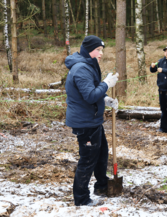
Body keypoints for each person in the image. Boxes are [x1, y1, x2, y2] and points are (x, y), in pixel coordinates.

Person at [65, 35, 119, 206]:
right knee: (88, 160)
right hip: (85, 122)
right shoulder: (81, 68)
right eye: (98, 50)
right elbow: (89, 96)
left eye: (102, 50)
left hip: (93, 119)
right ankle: (81, 198)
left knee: (102, 153)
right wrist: (106, 84)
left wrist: (105, 98)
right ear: (89, 50)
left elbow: (90, 92)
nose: (101, 53)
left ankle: (102, 186)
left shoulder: (89, 65)